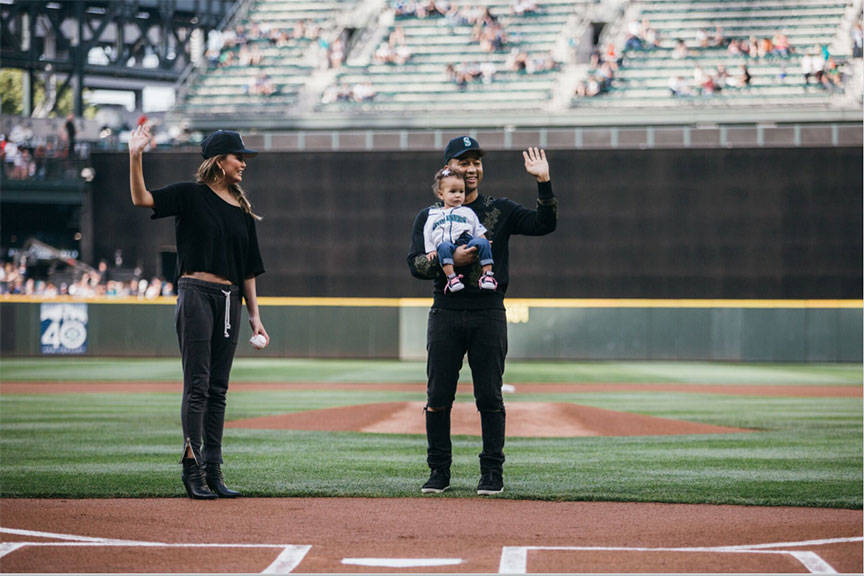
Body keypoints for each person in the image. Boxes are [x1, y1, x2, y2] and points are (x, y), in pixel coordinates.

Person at [407, 136, 557, 495]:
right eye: (463, 162)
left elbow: (543, 224)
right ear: (447, 171)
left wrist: (543, 182)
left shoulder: (497, 209)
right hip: (445, 311)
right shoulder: (429, 215)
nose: (472, 169)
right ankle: (439, 471)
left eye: (476, 162)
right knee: (438, 395)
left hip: (488, 311)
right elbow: (414, 263)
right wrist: (445, 262)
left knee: (489, 395)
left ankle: (492, 473)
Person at [128, 127, 269, 500]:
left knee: (218, 390)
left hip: (230, 299)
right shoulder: (190, 196)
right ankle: (192, 470)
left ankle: (214, 471)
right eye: (238, 157)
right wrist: (135, 155)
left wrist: (255, 315)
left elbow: (248, 269)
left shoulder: (241, 208)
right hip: (196, 295)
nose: (243, 163)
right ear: (219, 161)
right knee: (198, 386)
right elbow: (142, 198)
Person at [423, 167, 497, 293]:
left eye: (461, 191)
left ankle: (487, 276)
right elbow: (428, 232)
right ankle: (452, 279)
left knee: (483, 243)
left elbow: (477, 229)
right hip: (446, 242)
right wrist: (430, 250)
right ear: (441, 194)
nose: (458, 195)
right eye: (452, 191)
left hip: (466, 240)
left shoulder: (468, 212)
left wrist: (483, 240)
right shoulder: (433, 214)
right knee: (443, 247)